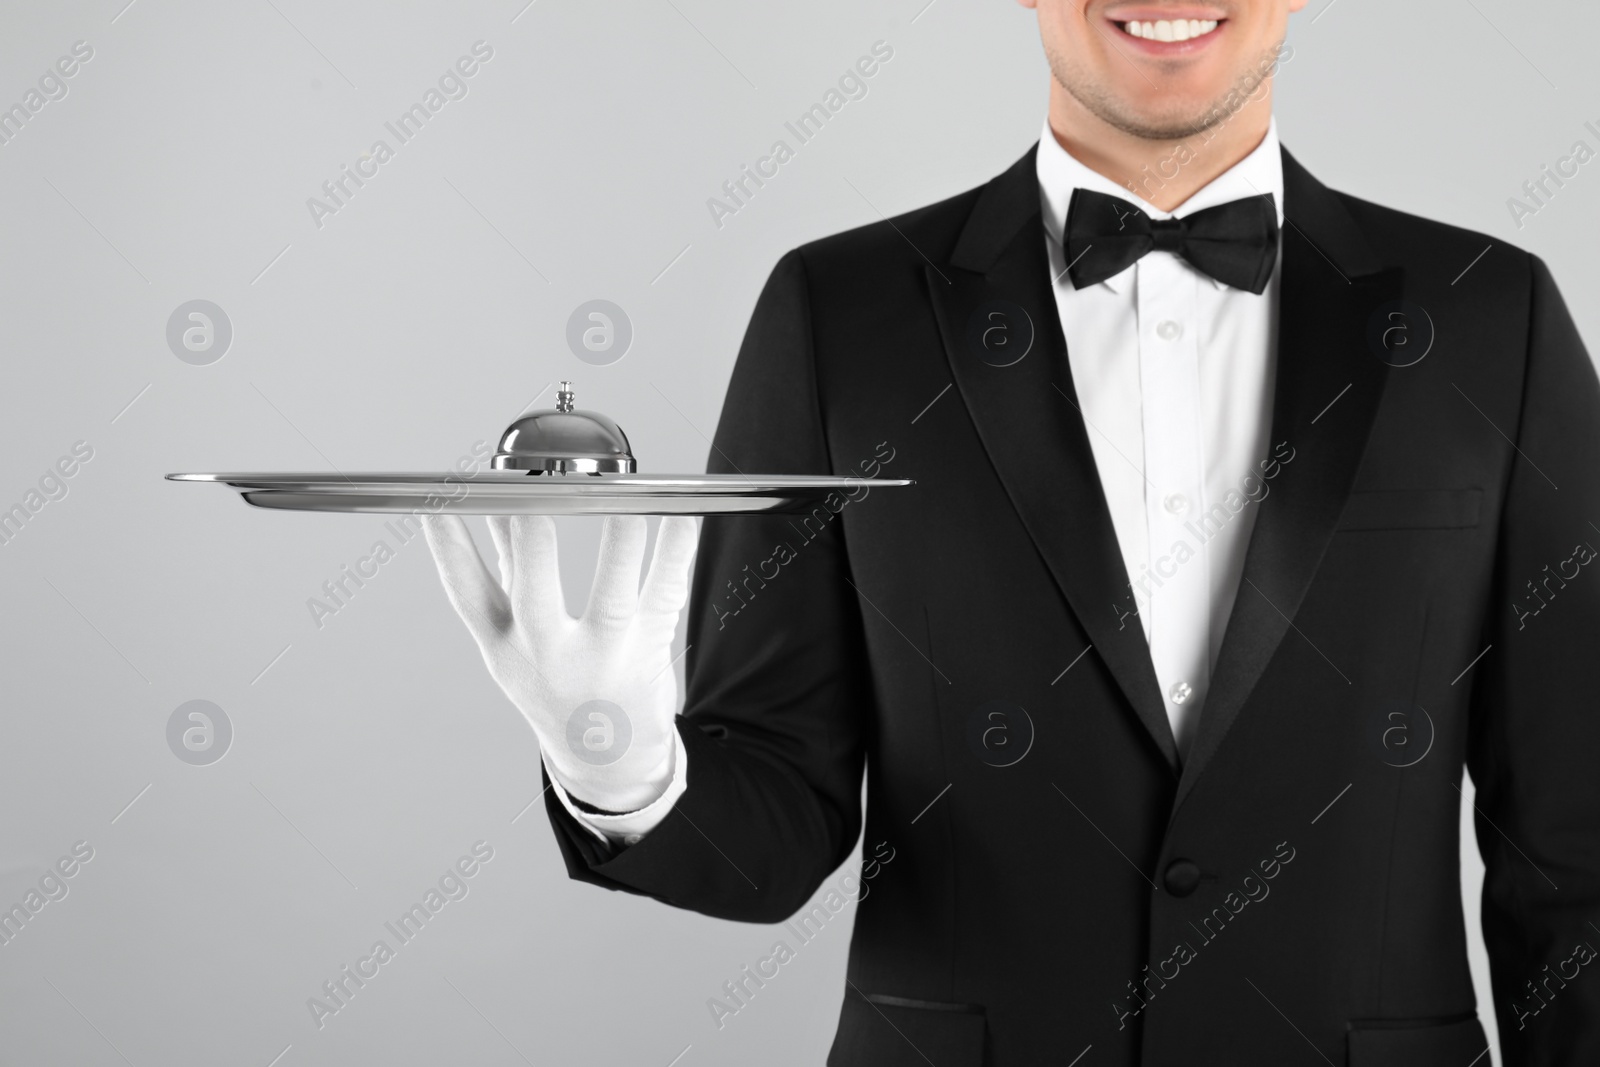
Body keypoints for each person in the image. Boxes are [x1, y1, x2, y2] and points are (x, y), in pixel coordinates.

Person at [422, 1, 1600, 1062]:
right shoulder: (840, 315)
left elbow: (1577, 852)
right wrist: (615, 761)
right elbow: (774, 834)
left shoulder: (1496, 319)